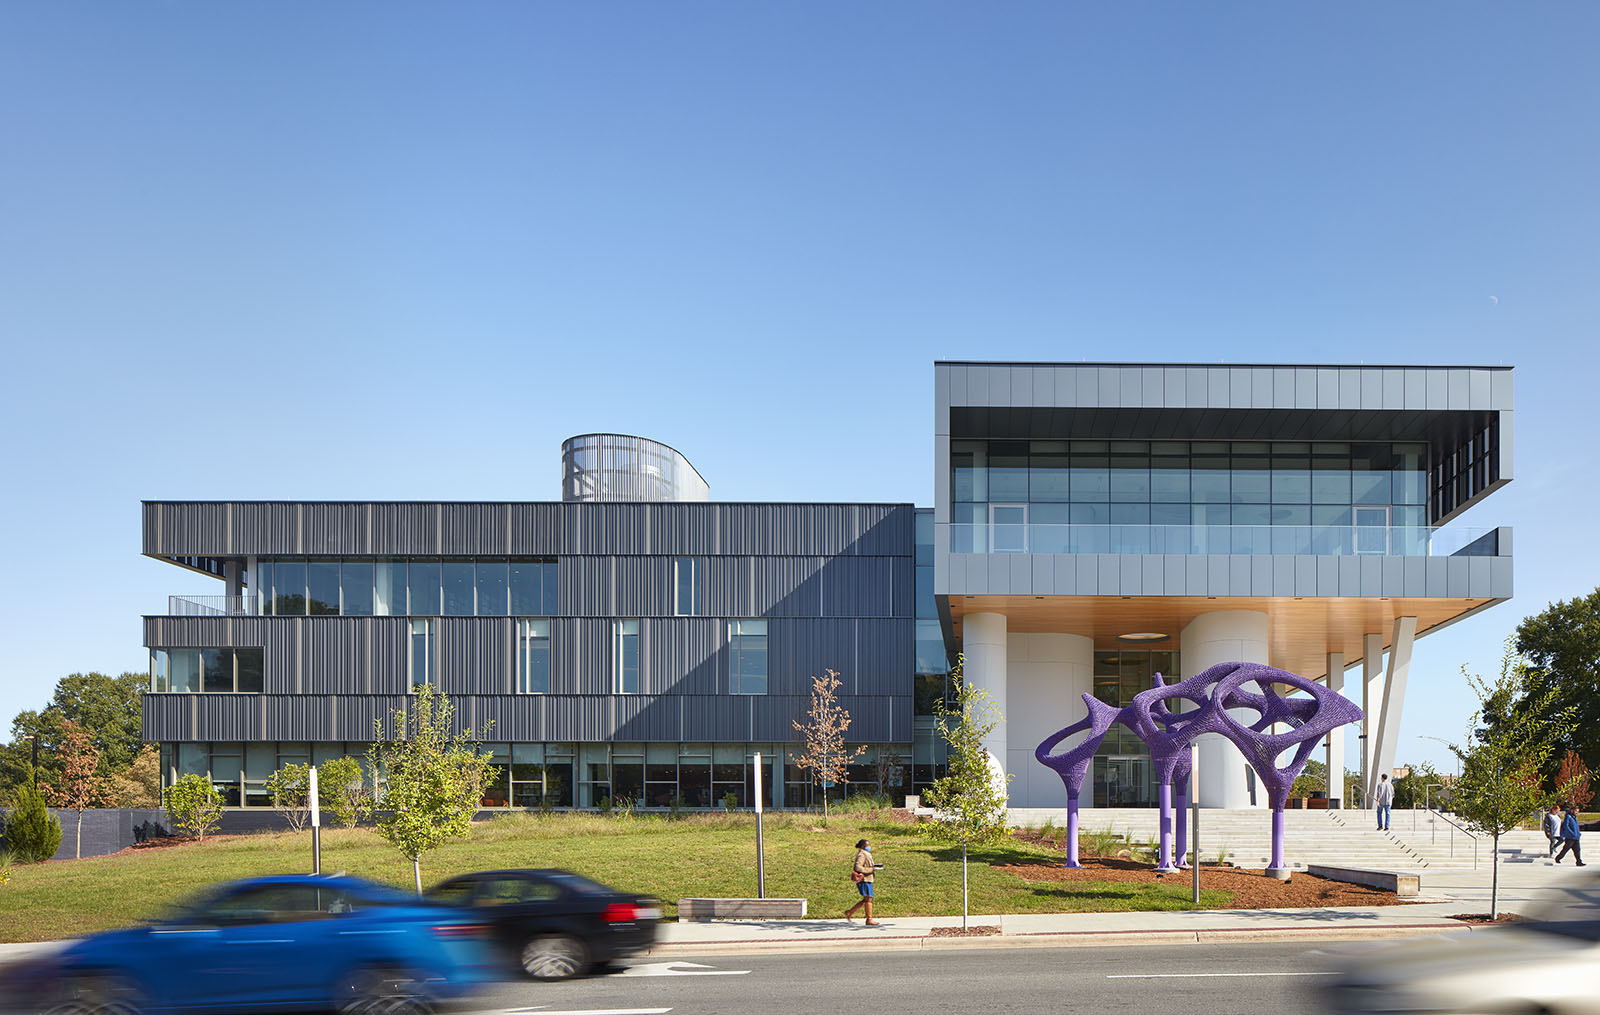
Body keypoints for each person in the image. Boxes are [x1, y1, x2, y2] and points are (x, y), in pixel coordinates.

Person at [844, 838, 881, 926]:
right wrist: (870, 870)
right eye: (868, 845)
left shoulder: (865, 853)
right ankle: (869, 919)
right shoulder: (862, 854)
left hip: (868, 879)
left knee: (866, 899)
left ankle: (849, 912)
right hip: (864, 879)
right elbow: (858, 867)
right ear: (863, 846)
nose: (869, 847)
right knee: (868, 898)